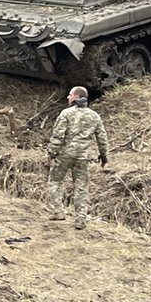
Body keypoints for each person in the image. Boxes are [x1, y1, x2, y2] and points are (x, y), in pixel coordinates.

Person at [46, 86, 109, 230]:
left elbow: (58, 134)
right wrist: (103, 155)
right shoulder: (94, 116)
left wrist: (52, 152)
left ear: (76, 97)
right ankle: (80, 219)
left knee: (56, 180)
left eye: (70, 95)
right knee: (81, 187)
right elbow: (102, 137)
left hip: (65, 154)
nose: (68, 97)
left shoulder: (66, 113)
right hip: (83, 157)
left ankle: (58, 211)